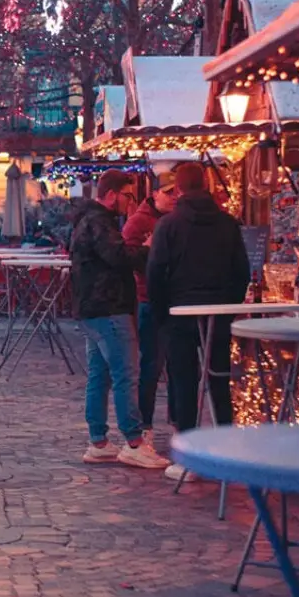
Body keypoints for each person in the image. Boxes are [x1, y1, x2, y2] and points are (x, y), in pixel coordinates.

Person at [147, 162, 250, 481]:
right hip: (217, 313)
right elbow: (241, 272)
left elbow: (155, 273)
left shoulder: (169, 225)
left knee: (184, 382)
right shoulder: (228, 224)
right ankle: (227, 452)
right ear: (206, 185)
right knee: (219, 379)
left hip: (180, 312)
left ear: (178, 188)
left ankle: (190, 457)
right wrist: (228, 307)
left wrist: (162, 310)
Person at [69, 170, 170, 469]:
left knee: (100, 375)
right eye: (128, 195)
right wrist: (148, 249)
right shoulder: (99, 222)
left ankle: (99, 441)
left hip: (92, 309)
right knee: (127, 374)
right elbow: (119, 256)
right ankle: (134, 442)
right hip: (108, 307)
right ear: (112, 194)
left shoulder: (87, 220)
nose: (130, 202)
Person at [122, 175, 178, 441]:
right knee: (151, 365)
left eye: (178, 192)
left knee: (177, 364)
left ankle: (177, 420)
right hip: (148, 300)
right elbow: (126, 257)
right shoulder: (139, 221)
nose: (175, 196)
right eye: (169, 192)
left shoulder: (177, 218)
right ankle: (145, 422)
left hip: (175, 301)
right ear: (155, 193)